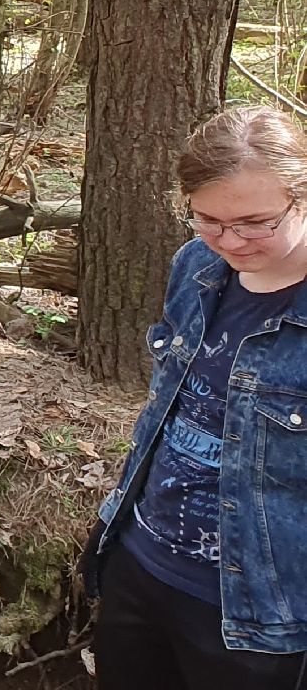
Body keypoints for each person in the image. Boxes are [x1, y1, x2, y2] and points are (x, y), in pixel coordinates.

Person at [84, 105, 307, 688]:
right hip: (141, 562)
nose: (230, 240)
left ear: (301, 195)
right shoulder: (196, 265)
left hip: (261, 613)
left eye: (256, 222)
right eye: (207, 218)